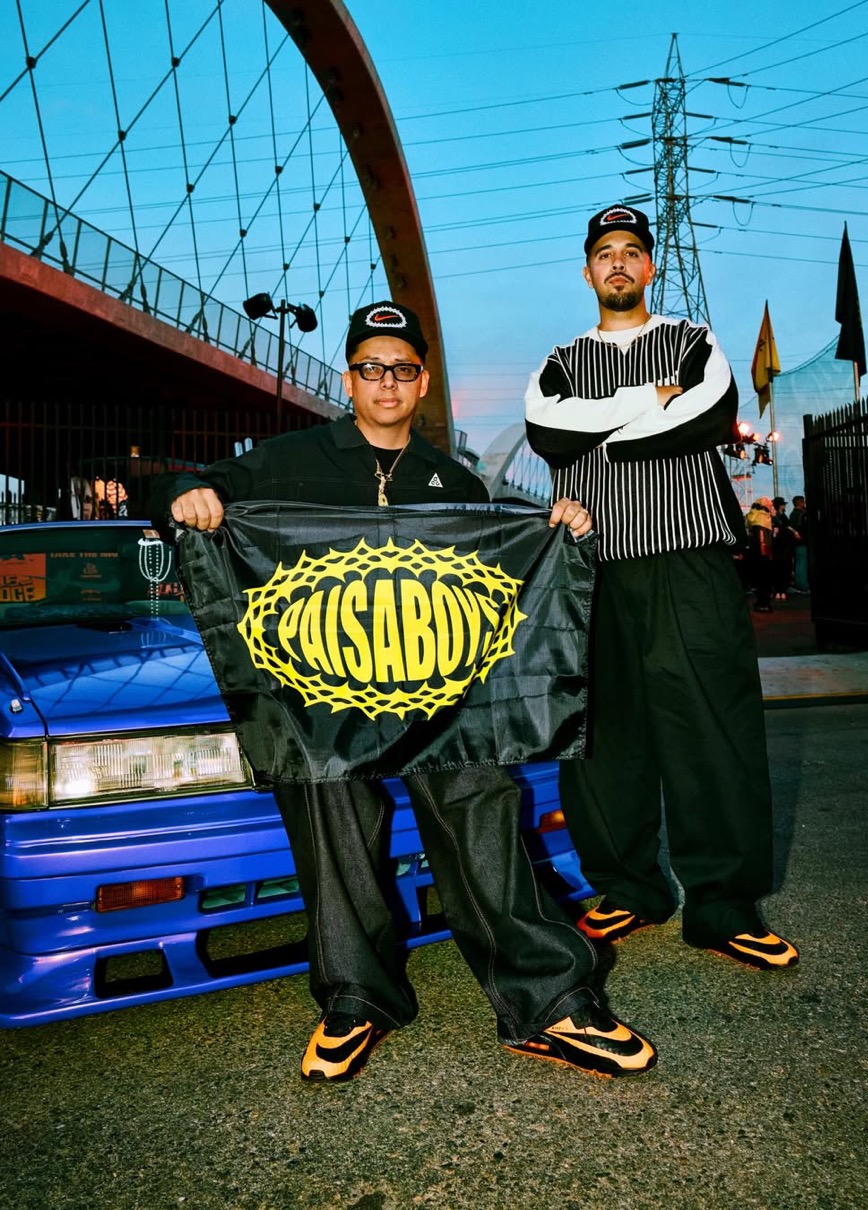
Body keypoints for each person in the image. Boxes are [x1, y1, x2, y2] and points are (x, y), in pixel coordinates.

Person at [155, 300, 657, 1083]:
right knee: (327, 804)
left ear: (422, 383)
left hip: (435, 694)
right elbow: (179, 484)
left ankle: (549, 996)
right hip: (323, 694)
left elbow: (506, 557)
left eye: (402, 369)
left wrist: (556, 523)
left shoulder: (453, 480)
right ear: (348, 379)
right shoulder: (287, 459)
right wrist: (188, 494)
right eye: (371, 368)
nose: (386, 382)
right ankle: (357, 996)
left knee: (480, 798)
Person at [525, 204, 798, 971]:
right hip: (591, 565)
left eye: (631, 251)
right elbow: (547, 432)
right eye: (604, 252)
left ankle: (723, 903)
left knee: (712, 726)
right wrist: (651, 399)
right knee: (601, 736)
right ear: (587, 271)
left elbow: (706, 417)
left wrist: (600, 430)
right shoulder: (559, 359)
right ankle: (629, 886)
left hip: (687, 555)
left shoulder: (691, 341)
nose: (617, 262)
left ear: (649, 266)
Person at [746, 496, 775, 613]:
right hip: (763, 556)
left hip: (756, 555)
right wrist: (766, 556)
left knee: (760, 580)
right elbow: (763, 541)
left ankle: (761, 602)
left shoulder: (753, 517)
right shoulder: (763, 520)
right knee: (764, 579)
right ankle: (763, 603)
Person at [771, 497, 796, 601]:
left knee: (776, 569)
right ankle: (783, 591)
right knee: (785, 569)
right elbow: (789, 527)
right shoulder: (782, 517)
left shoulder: (772, 517)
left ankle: (777, 591)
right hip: (785, 547)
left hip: (776, 547)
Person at [789, 494, 810, 594]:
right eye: (803, 502)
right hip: (802, 542)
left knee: (799, 563)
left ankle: (800, 584)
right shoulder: (801, 515)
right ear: (800, 503)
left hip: (797, 542)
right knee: (802, 563)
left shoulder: (793, 514)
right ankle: (803, 585)